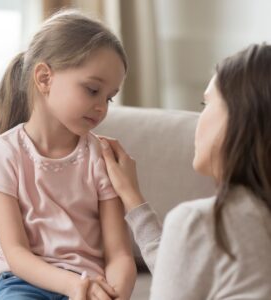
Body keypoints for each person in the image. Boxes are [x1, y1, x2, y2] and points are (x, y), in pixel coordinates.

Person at [0, 9, 136, 300]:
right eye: (92, 90)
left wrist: (117, 294)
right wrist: (71, 286)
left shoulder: (101, 157)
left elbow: (120, 254)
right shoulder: (2, 154)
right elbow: (16, 253)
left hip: (90, 284)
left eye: (109, 97)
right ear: (45, 78)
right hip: (21, 282)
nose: (102, 107)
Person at [99, 43, 271, 299]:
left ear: (240, 117)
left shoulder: (202, 223)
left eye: (206, 103)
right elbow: (184, 272)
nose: (198, 120)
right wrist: (133, 198)